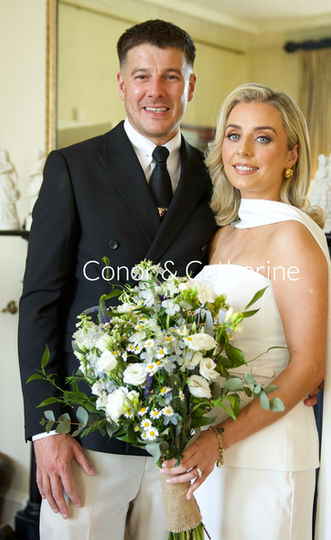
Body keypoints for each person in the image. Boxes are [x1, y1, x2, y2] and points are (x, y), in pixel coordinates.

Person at [18, 19, 217, 540]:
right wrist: (46, 428)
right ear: (122, 83)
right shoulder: (73, 166)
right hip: (87, 432)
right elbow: (40, 301)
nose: (156, 90)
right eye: (142, 75)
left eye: (171, 76)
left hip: (177, 435)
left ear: (190, 85)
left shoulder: (214, 177)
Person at [162, 83, 331, 540]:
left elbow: (308, 366)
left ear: (291, 154)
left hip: (268, 451)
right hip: (211, 449)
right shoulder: (222, 233)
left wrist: (217, 441)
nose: (243, 150)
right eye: (233, 134)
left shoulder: (292, 236)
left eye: (262, 137)